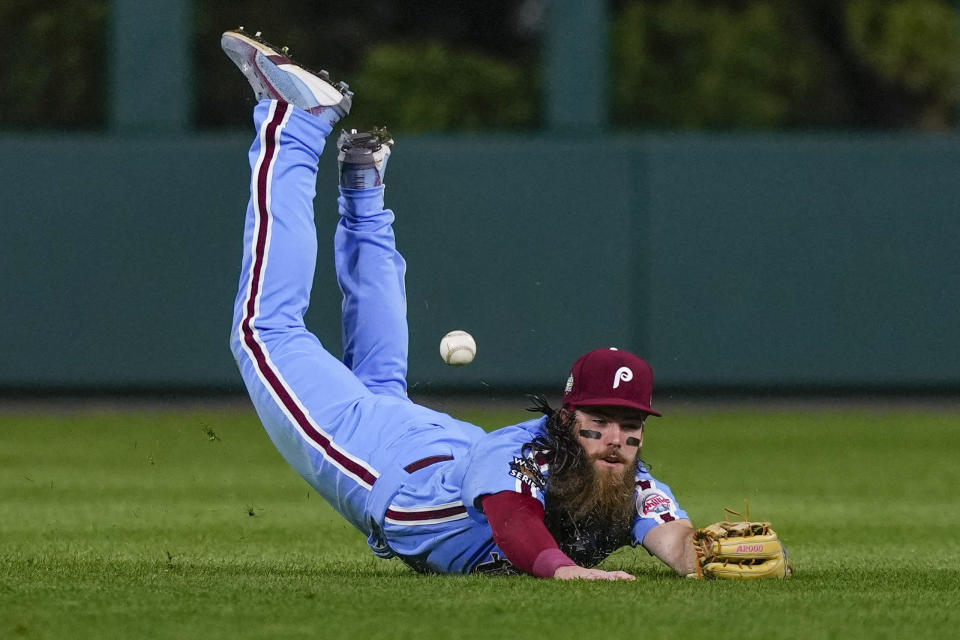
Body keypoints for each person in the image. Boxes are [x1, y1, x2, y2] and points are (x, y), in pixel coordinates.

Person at [223, 28, 698, 580]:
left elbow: (673, 534)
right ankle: (295, 121)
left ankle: (362, 184)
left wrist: (704, 557)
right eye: (601, 420)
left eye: (629, 424)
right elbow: (514, 520)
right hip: (390, 466)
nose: (617, 439)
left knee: (380, 390)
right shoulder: (524, 454)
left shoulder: (630, 480)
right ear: (569, 419)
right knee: (264, 331)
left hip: (433, 448)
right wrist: (564, 571)